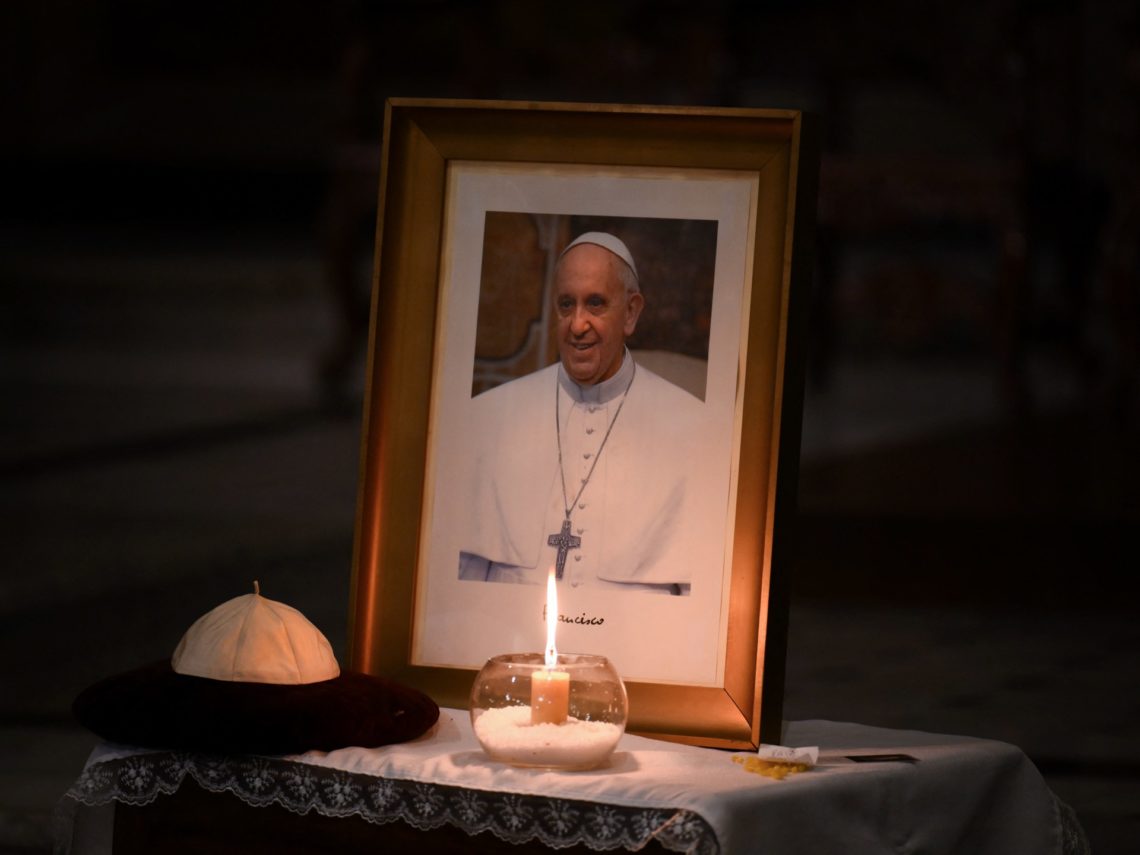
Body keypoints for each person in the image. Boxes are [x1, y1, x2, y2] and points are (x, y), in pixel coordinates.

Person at [457, 232, 719, 595]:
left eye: (595, 304)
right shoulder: (490, 417)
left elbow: (699, 599)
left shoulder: (693, 427)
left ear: (630, 312)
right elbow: (461, 585)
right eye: (567, 305)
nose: (577, 325)